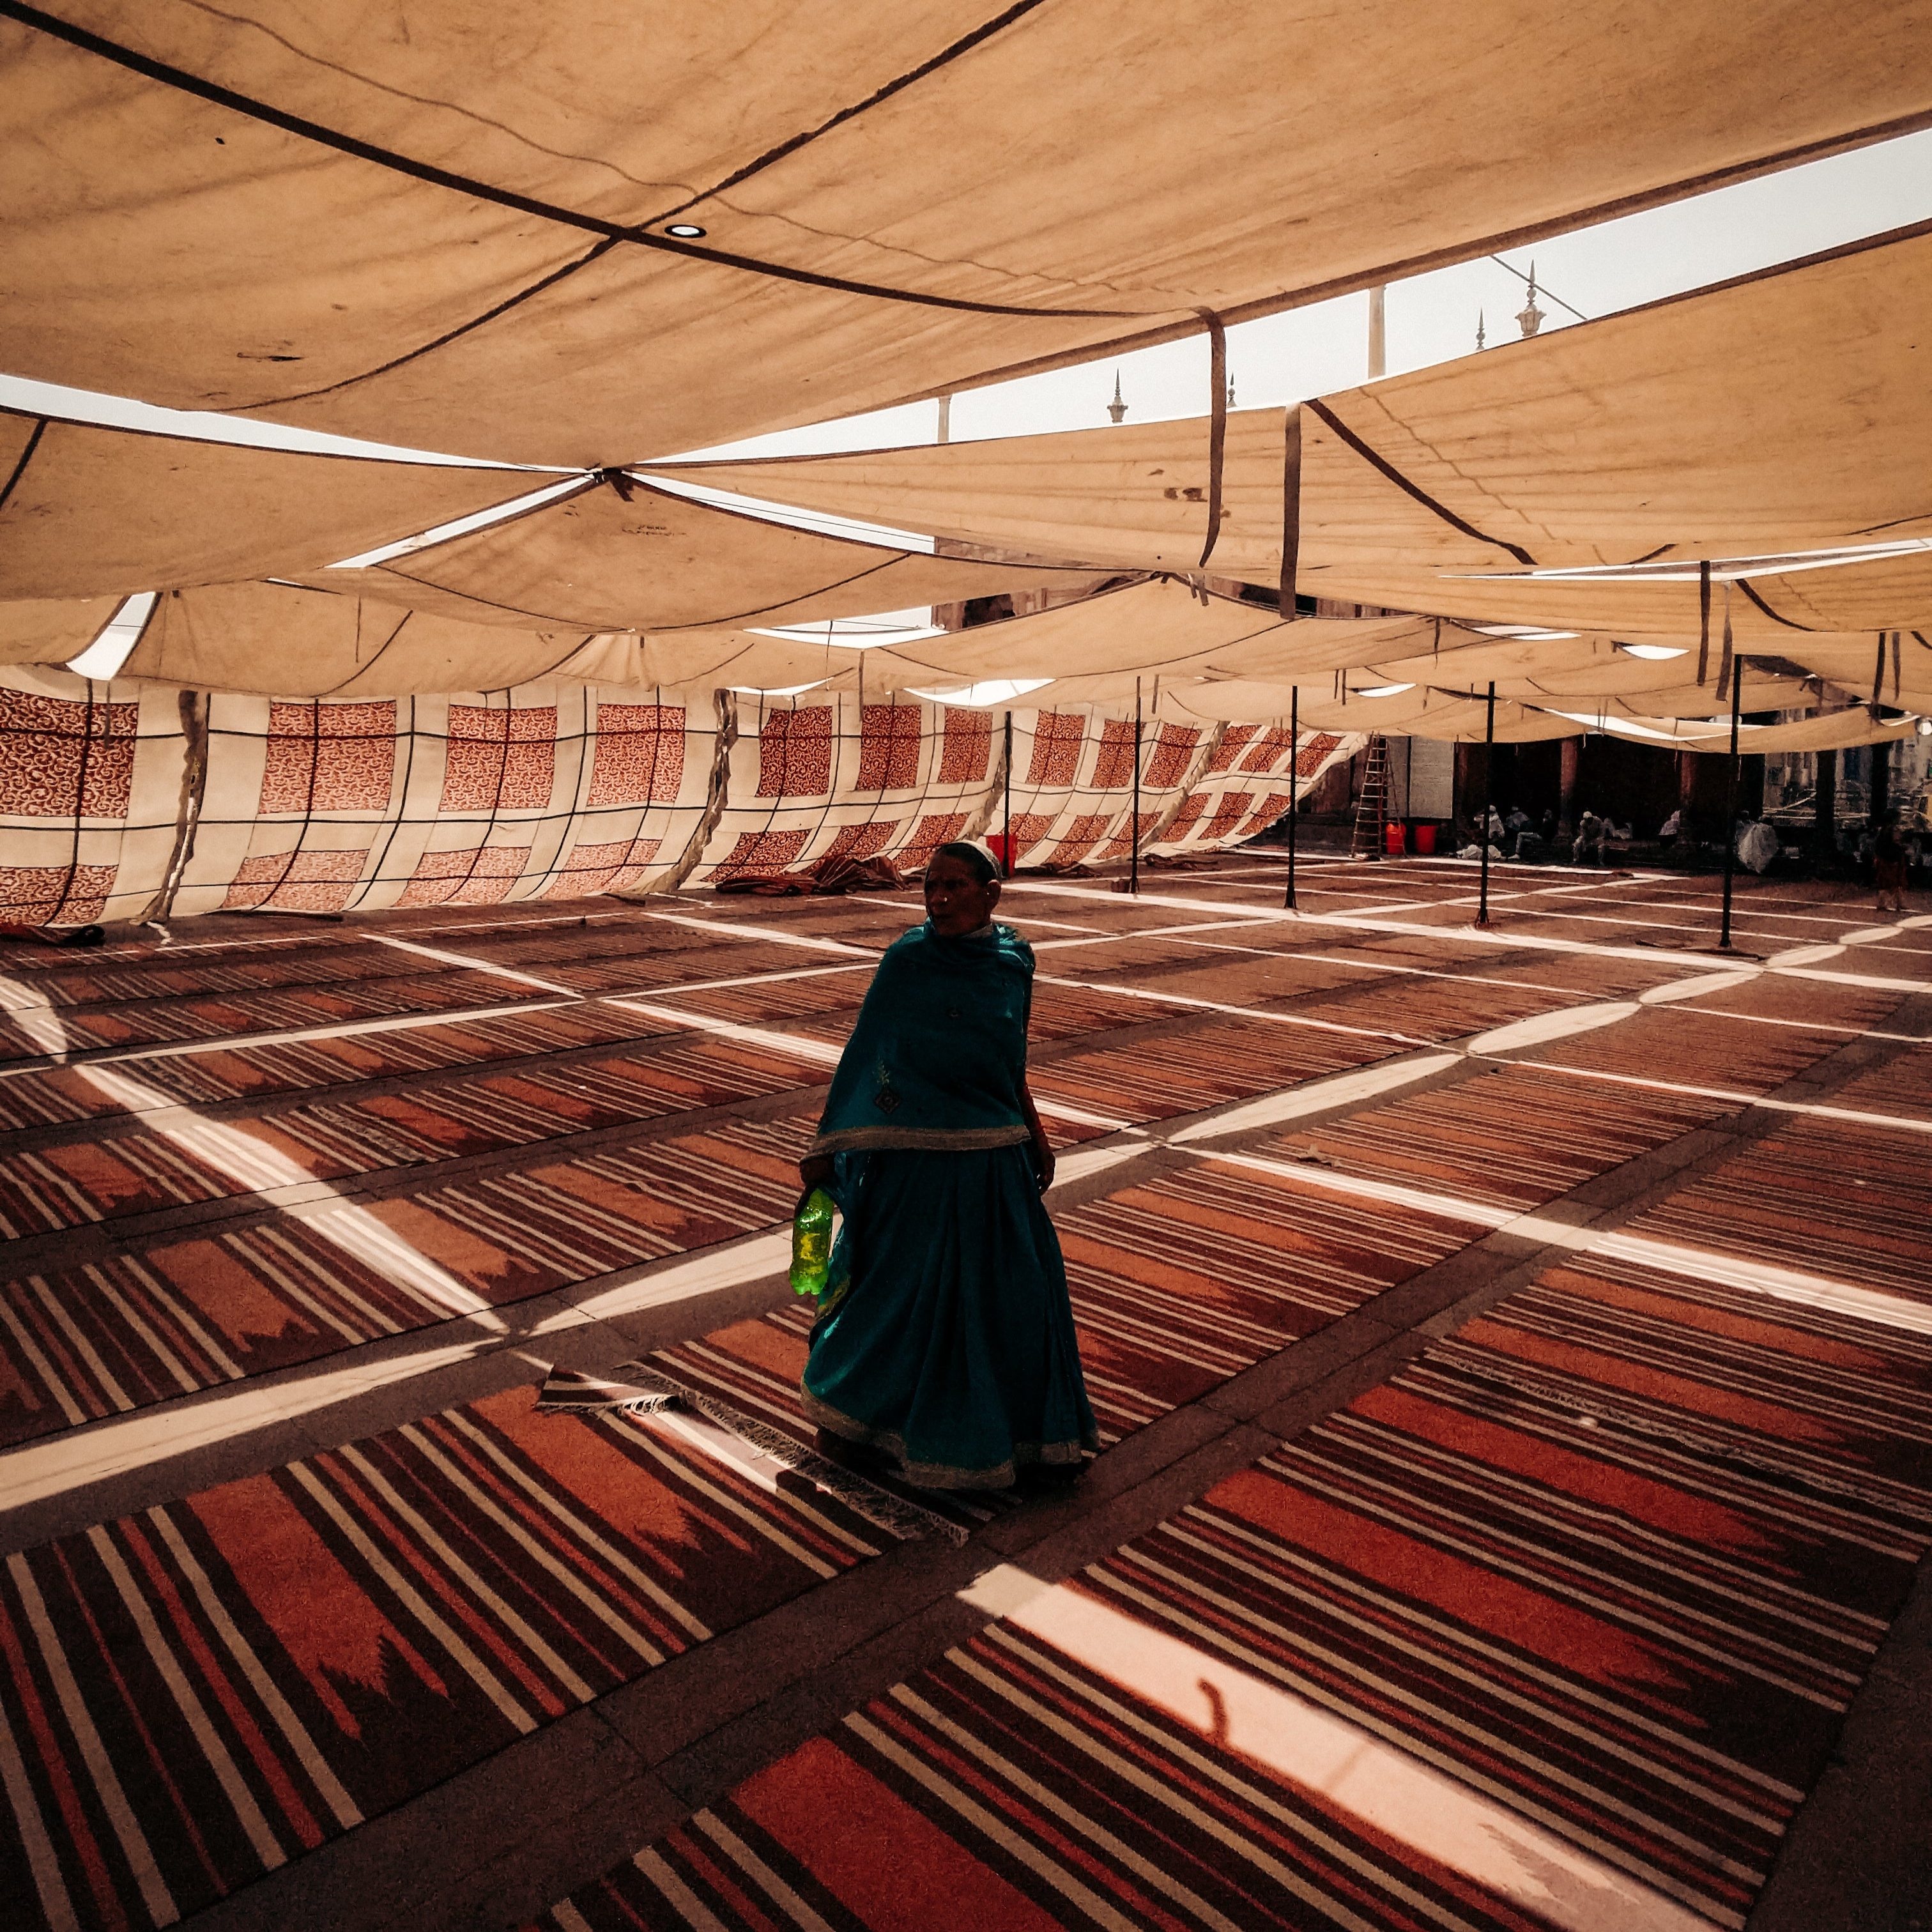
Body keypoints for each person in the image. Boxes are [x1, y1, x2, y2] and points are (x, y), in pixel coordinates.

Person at [794, 841, 1097, 1490]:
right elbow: (870, 1053)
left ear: (991, 894)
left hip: (994, 1160)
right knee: (896, 1295)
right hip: (917, 1163)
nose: (939, 899)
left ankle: (1015, 1434)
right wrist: (841, 1139)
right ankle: (856, 1419)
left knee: (1012, 1297)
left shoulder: (1013, 960)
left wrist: (1036, 1133)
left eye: (956, 886)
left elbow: (1009, 1060)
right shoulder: (908, 961)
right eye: (931, 886)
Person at [1875, 809, 1910, 914]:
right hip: (1893, 859)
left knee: (1885, 883)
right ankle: (1897, 903)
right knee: (1895, 882)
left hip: (1885, 859)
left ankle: (1887, 903)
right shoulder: (1892, 830)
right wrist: (1904, 847)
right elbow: (1897, 842)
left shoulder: (1882, 830)